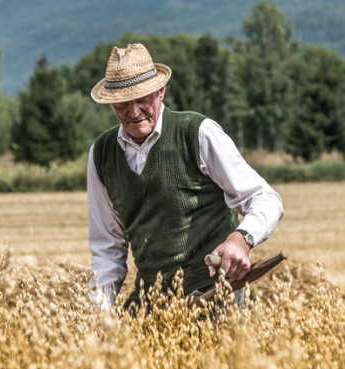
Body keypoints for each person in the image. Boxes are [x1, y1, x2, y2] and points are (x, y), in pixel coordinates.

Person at [87, 43, 283, 313]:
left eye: (142, 99)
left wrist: (240, 240)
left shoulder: (198, 133)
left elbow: (264, 198)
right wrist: (99, 311)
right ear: (111, 103)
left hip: (214, 295)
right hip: (151, 301)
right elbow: (108, 246)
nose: (133, 112)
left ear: (160, 91)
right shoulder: (101, 154)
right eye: (122, 104)